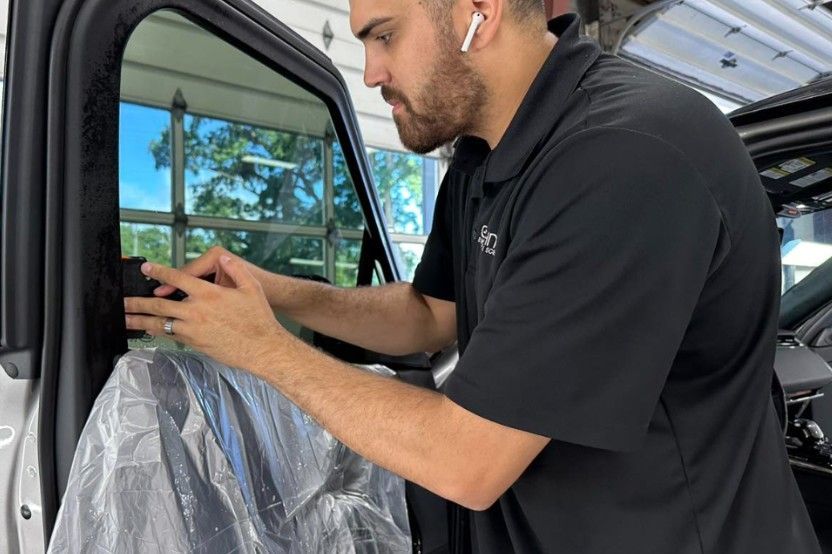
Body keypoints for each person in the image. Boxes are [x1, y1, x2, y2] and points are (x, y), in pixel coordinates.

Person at [125, 1, 822, 552]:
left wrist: (262, 348)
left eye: (385, 36)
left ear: (477, 14)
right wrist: (272, 292)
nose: (370, 73)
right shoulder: (485, 155)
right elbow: (429, 314)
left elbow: (468, 460)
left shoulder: (626, 156)